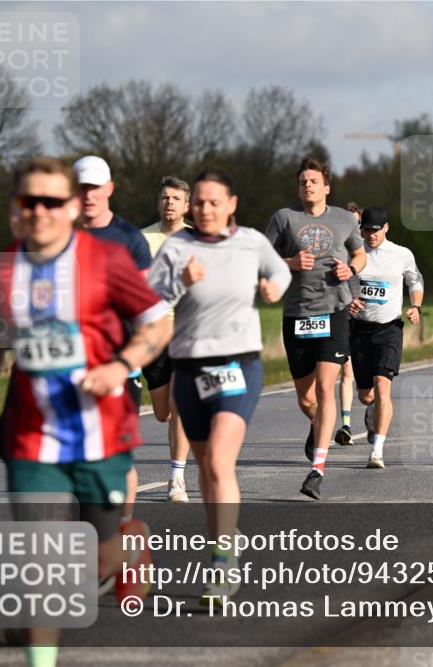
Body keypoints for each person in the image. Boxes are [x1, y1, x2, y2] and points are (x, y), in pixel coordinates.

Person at [0, 157, 172, 666]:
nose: (40, 211)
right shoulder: (6, 266)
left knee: (93, 559)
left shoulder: (107, 261)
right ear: (18, 205)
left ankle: (128, 547)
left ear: (73, 207)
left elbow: (159, 324)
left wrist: (119, 366)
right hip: (32, 438)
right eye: (29, 201)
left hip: (100, 435)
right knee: (45, 558)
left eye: (52, 201)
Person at [149, 168, 289, 602]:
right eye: (200, 203)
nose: (206, 209)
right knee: (207, 465)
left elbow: (279, 274)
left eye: (214, 202)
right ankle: (224, 541)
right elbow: (148, 299)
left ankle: (223, 565)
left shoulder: (251, 242)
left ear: (231, 205)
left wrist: (273, 287)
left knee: (218, 463)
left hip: (237, 365)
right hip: (188, 367)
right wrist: (180, 282)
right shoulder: (177, 246)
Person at [265, 157, 366, 500]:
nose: (307, 185)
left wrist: (351, 270)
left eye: (313, 181)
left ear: (326, 187)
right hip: (297, 314)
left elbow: (361, 254)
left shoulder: (343, 218)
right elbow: (262, 260)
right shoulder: (284, 219)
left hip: (334, 311)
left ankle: (317, 470)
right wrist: (290, 263)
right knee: (306, 397)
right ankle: (318, 425)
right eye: (302, 182)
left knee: (326, 389)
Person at [73, 155, 153, 526]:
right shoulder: (59, 234)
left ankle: (124, 528)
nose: (88, 195)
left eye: (94, 187)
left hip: (119, 362)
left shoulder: (129, 239)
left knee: (116, 456)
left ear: (109, 189)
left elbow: (146, 306)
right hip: (70, 363)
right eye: (81, 187)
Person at [348, 207, 424, 468]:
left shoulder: (402, 254)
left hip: (389, 329)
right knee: (366, 396)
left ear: (386, 228)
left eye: (376, 230)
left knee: (383, 386)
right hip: (359, 329)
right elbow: (342, 285)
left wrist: (415, 306)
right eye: (366, 230)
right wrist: (350, 302)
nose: (371, 235)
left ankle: (377, 451)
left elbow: (415, 280)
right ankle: (372, 415)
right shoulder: (355, 254)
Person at [141, 176, 193, 502]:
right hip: (153, 334)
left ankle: (177, 478)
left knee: (180, 404)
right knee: (163, 412)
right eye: (165, 197)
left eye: (176, 198)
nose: (169, 202)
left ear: (186, 205)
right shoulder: (141, 240)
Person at [333, 201, 364, 447]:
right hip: (343, 317)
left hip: (370, 322)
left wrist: (360, 300)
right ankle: (346, 424)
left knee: (370, 380)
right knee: (347, 371)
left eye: (357, 221)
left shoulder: (368, 249)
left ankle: (374, 415)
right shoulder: (335, 249)